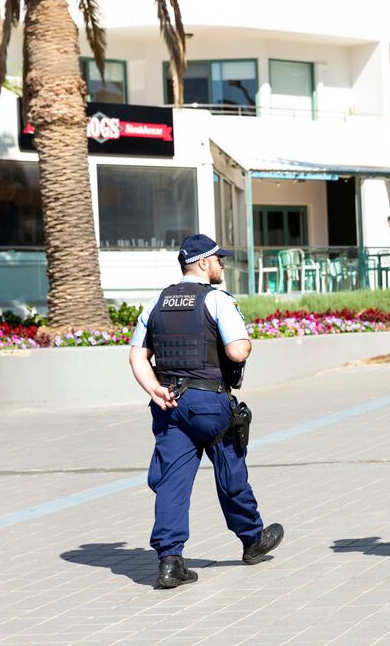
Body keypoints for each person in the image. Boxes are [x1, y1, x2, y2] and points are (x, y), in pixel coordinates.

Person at [128, 234, 283, 589]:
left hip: (168, 403)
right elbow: (237, 352)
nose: (222, 265)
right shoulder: (217, 300)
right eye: (218, 260)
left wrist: (153, 388)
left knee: (171, 482)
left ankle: (170, 561)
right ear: (201, 263)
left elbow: (138, 356)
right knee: (230, 471)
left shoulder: (157, 301)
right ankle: (252, 540)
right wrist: (246, 340)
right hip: (209, 403)